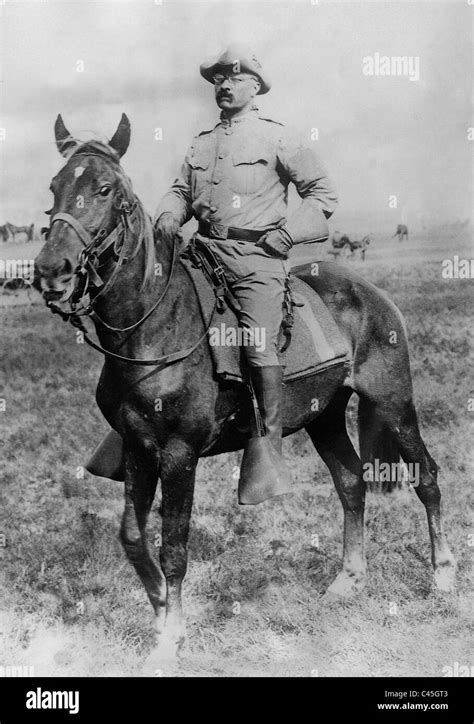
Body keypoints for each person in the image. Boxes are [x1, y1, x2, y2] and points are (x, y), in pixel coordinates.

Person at [154, 44, 338, 503]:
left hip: (256, 258)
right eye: (218, 78)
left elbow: (322, 194)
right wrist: (168, 214)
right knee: (158, 318)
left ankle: (268, 448)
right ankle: (134, 428)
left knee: (257, 344)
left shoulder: (278, 138)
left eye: (235, 78)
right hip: (203, 251)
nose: (225, 84)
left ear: (255, 86)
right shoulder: (201, 142)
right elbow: (180, 190)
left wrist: (290, 234)